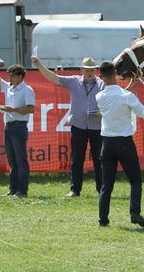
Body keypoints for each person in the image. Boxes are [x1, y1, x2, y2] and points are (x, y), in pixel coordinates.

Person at [95, 61, 144, 228]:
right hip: (124, 143)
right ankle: (134, 213)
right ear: (115, 74)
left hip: (107, 143)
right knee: (135, 181)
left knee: (106, 184)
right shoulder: (127, 96)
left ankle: (103, 219)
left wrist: (131, 85)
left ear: (100, 77)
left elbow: (117, 97)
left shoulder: (99, 97)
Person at [33, 55, 104, 197]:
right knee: (77, 159)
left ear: (96, 70)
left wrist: (102, 113)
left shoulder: (103, 84)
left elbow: (114, 96)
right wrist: (39, 65)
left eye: (92, 69)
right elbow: (53, 78)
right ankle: (75, 190)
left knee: (99, 159)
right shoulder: (73, 81)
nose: (90, 72)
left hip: (97, 127)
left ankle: (101, 189)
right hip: (78, 126)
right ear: (81, 70)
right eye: (87, 69)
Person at [0, 61, 35, 197]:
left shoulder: (27, 89)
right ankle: (13, 189)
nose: (9, 78)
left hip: (19, 126)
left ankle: (22, 190)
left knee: (21, 160)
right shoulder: (9, 87)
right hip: (9, 126)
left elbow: (31, 108)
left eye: (12, 75)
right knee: (12, 161)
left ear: (19, 76)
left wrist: (13, 109)